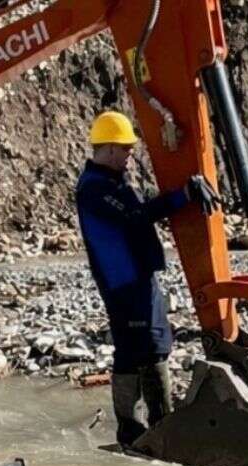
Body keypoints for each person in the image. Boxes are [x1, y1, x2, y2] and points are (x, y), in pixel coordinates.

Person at [74, 110, 210, 447]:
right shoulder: (95, 188)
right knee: (147, 347)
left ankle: (141, 431)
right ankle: (150, 429)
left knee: (142, 347)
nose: (130, 156)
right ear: (107, 148)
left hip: (131, 276)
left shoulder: (110, 183)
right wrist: (183, 196)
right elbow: (135, 217)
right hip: (124, 281)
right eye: (126, 149)